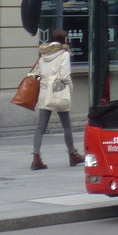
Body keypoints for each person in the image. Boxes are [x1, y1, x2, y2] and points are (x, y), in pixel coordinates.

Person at [31, 29, 84, 170]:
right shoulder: (64, 54)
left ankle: (36, 158)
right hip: (59, 92)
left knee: (40, 127)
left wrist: (44, 84)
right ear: (64, 40)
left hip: (44, 93)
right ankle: (73, 155)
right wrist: (70, 88)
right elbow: (65, 76)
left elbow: (35, 74)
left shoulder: (43, 55)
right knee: (66, 125)